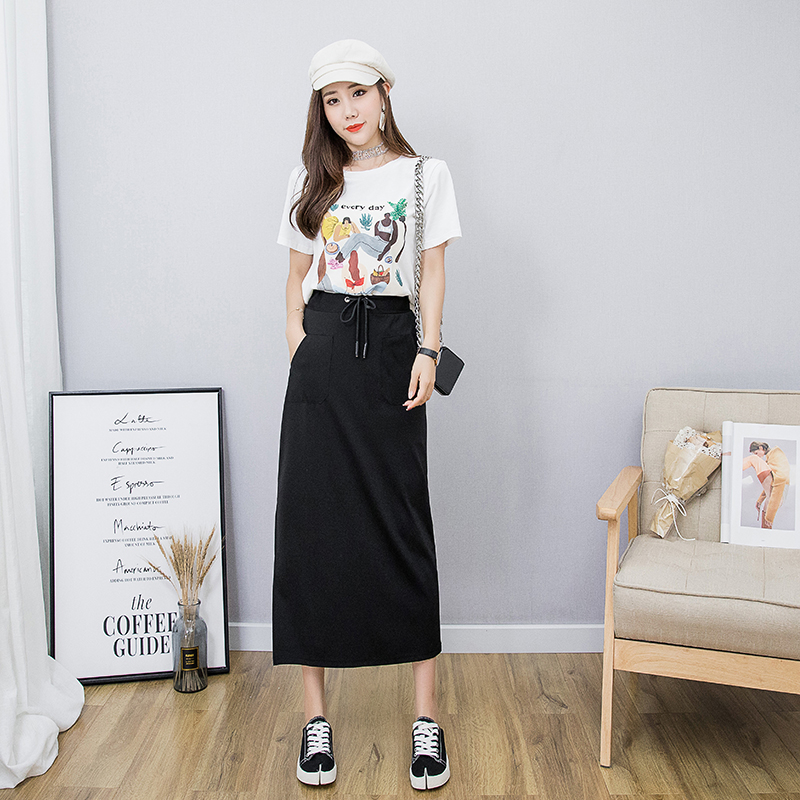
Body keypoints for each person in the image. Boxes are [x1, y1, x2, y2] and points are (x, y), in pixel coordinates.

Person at [273, 39, 461, 791]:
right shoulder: (309, 180)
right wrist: (301, 348)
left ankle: (426, 720)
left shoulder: (424, 175)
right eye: (332, 99)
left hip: (391, 349)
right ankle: (315, 719)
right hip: (323, 351)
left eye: (358, 93)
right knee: (310, 526)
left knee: (403, 522)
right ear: (321, 109)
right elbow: (294, 280)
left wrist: (427, 349)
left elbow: (434, 269)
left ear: (384, 93)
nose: (347, 111)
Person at [749, 441, 790, 529]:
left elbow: (779, 482)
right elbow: (772, 483)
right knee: (765, 513)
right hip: (777, 488)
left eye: (756, 453)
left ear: (761, 448)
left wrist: (770, 516)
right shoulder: (770, 456)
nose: (757, 456)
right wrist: (760, 500)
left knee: (767, 519)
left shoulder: (776, 454)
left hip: (781, 489)